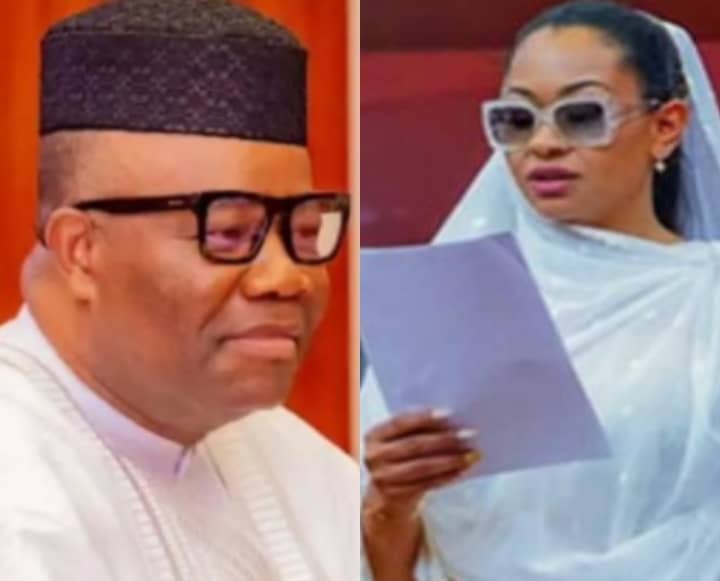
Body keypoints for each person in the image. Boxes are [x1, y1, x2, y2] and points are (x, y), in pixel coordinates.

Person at [361, 2, 720, 579]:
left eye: (581, 115)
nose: (544, 143)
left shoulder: (708, 295)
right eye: (518, 120)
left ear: (666, 126)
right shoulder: (451, 308)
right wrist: (389, 502)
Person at [0, 1, 357, 580]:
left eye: (304, 231)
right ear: (80, 250)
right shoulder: (19, 499)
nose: (286, 277)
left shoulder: (290, 456)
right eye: (229, 233)